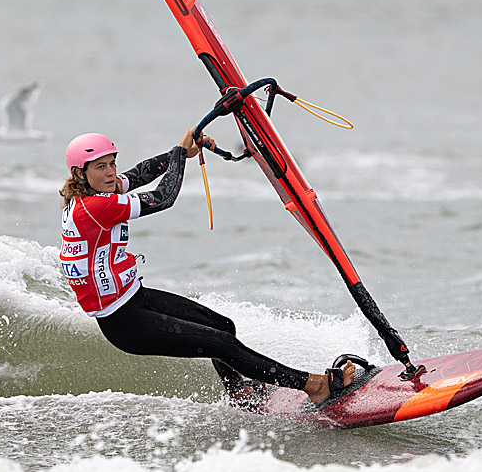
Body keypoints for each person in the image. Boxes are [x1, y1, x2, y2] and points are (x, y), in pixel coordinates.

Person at [59, 128, 355, 405]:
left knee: (222, 326)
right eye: (101, 167)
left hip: (135, 297)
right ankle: (315, 386)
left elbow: (138, 174)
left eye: (112, 163)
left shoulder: (92, 193)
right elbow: (163, 198)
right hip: (124, 321)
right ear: (79, 173)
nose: (111, 172)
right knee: (222, 344)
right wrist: (178, 158)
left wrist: (179, 151)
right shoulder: (95, 208)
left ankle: (241, 393)